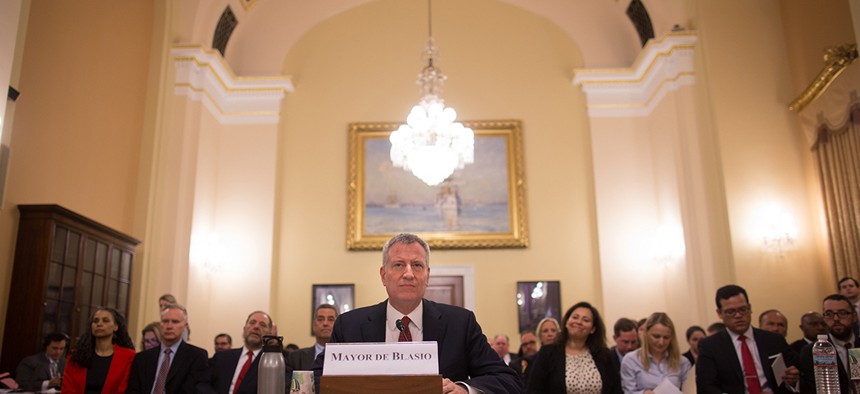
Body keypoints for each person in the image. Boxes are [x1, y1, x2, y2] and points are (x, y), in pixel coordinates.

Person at [315, 233, 520, 393]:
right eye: (398, 265)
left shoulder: (460, 323)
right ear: (383, 275)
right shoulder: (349, 325)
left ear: (427, 275)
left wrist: (464, 389)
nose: (409, 274)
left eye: (417, 265)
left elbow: (506, 380)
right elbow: (316, 379)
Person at [695, 284, 798, 393]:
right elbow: (706, 388)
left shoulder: (773, 340)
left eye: (743, 309)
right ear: (719, 313)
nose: (738, 315)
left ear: (750, 308)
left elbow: (795, 378)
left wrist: (793, 380)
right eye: (731, 312)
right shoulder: (710, 346)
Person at [526, 301, 622, 394]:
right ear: (567, 322)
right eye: (575, 317)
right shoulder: (547, 353)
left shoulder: (604, 355)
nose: (579, 322)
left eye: (586, 320)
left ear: (593, 329)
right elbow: (534, 390)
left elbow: (616, 390)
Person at [127, 303, 208, 393]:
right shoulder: (142, 358)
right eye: (165, 321)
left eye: (175, 322)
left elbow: (192, 390)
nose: (169, 326)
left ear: (185, 325)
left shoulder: (196, 356)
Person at [201, 310, 284, 394]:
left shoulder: (271, 363)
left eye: (262, 325)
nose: (256, 327)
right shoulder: (221, 357)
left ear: (269, 333)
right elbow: (203, 384)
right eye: (252, 322)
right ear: (244, 328)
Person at [61, 307, 136, 393]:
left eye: (105, 320)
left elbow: (124, 390)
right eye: (95, 321)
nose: (99, 324)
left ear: (115, 327)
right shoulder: (76, 356)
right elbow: (67, 390)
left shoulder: (128, 356)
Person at [797, 294, 860, 393]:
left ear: (855, 317)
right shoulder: (812, 351)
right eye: (829, 314)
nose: (835, 319)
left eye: (842, 313)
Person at [620, 312, 691, 393]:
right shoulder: (631, 360)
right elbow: (628, 392)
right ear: (646, 334)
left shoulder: (682, 362)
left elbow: (689, 391)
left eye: (666, 337)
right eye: (656, 336)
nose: (661, 342)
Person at [288, 304, 336, 370]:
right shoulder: (295, 358)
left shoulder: (347, 358)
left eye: (330, 319)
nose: (325, 323)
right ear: (313, 325)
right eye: (320, 319)